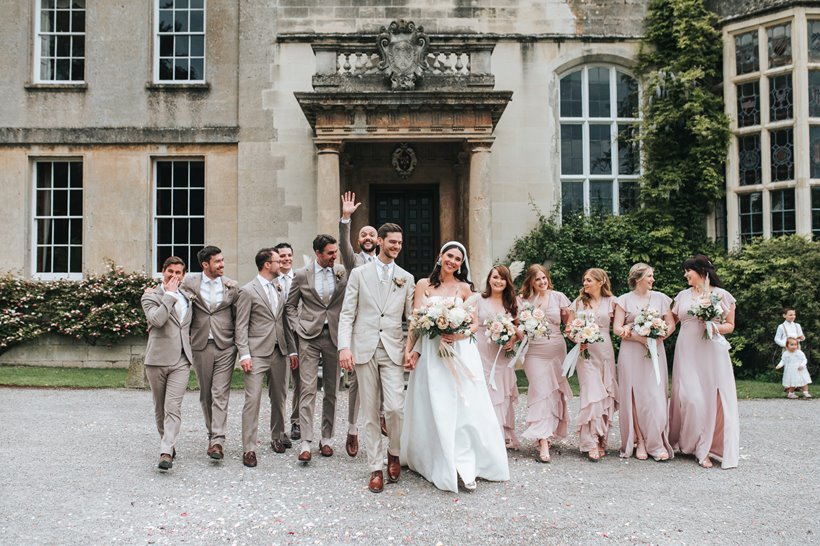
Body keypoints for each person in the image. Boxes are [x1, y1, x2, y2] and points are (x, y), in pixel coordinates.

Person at [402, 242, 510, 493]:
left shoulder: (464, 288)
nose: (453, 261)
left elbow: (474, 325)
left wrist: (457, 336)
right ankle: (435, 459)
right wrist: (409, 350)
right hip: (430, 352)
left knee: (462, 405)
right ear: (440, 256)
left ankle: (464, 463)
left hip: (459, 351)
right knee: (435, 402)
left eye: (458, 259)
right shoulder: (422, 285)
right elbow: (416, 322)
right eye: (449, 256)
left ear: (462, 264)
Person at [338, 223, 416, 493]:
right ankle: (375, 466)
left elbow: (412, 319)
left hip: (393, 348)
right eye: (392, 242)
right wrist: (344, 347)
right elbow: (347, 313)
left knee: (395, 408)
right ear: (380, 242)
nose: (396, 246)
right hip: (364, 347)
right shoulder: (359, 274)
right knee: (370, 411)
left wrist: (411, 348)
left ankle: (394, 451)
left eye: (399, 243)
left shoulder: (406, 277)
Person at [668, 255, 739, 469]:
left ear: (700, 271)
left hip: (712, 352)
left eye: (688, 270)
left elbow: (730, 326)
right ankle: (687, 442)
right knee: (690, 398)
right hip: (687, 351)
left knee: (709, 398)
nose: (685, 275)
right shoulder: (682, 296)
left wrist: (712, 325)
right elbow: (671, 322)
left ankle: (704, 448)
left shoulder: (723, 295)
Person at [286, 234, 351, 463]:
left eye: (336, 252)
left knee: (332, 390)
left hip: (335, 336)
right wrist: (298, 326)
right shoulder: (302, 275)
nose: (335, 256)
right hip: (309, 337)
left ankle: (327, 439)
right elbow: (290, 306)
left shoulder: (342, 271)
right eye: (330, 253)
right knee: (307, 388)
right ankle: (305, 441)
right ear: (318, 253)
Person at [235, 249, 298, 468]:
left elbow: (283, 321)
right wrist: (244, 354)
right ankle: (249, 448)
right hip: (256, 352)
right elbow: (240, 325)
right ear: (266, 265)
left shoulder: (280, 286)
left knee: (279, 397)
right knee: (252, 400)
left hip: (279, 351)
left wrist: (292, 350)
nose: (281, 263)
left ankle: (277, 436)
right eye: (277, 261)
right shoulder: (247, 291)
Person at [338, 191, 387, 458]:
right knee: (357, 381)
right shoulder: (352, 261)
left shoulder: (387, 264)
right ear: (359, 240)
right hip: (358, 328)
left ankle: (380, 416)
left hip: (381, 329)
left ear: (378, 241)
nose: (367, 238)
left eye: (371, 235)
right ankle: (353, 428)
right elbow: (343, 245)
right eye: (363, 235)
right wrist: (346, 219)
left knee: (381, 374)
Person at [182, 245, 240, 461]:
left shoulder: (231, 286)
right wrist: (152, 291)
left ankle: (217, 440)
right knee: (206, 393)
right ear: (205, 265)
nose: (222, 264)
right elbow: (173, 296)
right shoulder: (189, 283)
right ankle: (211, 434)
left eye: (223, 260)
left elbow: (238, 316)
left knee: (220, 392)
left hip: (226, 345)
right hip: (200, 344)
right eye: (218, 262)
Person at [613, 263, 675, 462]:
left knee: (655, 397)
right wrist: (638, 338)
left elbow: (671, 324)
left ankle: (656, 442)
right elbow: (617, 328)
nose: (653, 279)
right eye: (649, 276)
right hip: (631, 351)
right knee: (634, 396)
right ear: (638, 278)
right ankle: (640, 441)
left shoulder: (661, 298)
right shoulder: (624, 300)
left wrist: (658, 338)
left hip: (654, 351)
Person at [141, 256, 194, 471]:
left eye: (178, 272)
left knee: (173, 406)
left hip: (182, 359)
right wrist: (170, 295)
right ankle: (168, 442)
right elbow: (157, 320)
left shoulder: (189, 296)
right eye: (170, 271)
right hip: (157, 359)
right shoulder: (150, 296)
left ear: (183, 275)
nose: (174, 276)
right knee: (160, 407)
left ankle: (165, 451)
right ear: (163, 272)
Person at [518, 264, 573, 463]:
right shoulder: (522, 300)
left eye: (544, 278)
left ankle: (548, 433)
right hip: (534, 352)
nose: (542, 282)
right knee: (540, 391)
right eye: (537, 279)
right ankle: (542, 441)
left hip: (557, 350)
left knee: (553, 392)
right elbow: (518, 327)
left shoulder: (559, 297)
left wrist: (581, 337)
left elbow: (569, 325)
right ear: (531, 281)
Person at [566, 268, 618, 462]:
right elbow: (569, 329)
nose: (585, 283)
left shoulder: (613, 301)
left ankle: (601, 438)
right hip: (585, 353)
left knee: (605, 394)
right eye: (584, 280)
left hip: (605, 352)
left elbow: (621, 324)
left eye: (588, 280)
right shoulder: (579, 302)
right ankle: (591, 442)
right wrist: (577, 338)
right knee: (592, 394)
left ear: (601, 281)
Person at [475, 265, 521, 451]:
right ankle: (483, 435)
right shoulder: (478, 300)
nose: (498, 281)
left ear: (507, 282)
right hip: (481, 351)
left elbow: (520, 331)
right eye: (495, 277)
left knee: (499, 394)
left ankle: (498, 436)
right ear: (489, 279)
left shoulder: (511, 303)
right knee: (483, 390)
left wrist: (512, 339)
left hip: (501, 355)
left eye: (502, 278)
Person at [273, 242, 300, 446]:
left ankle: (296, 421)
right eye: (282, 256)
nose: (286, 259)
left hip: (300, 334)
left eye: (289, 255)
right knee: (280, 385)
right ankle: (279, 426)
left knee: (301, 382)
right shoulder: (270, 281)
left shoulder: (300, 277)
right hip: (278, 337)